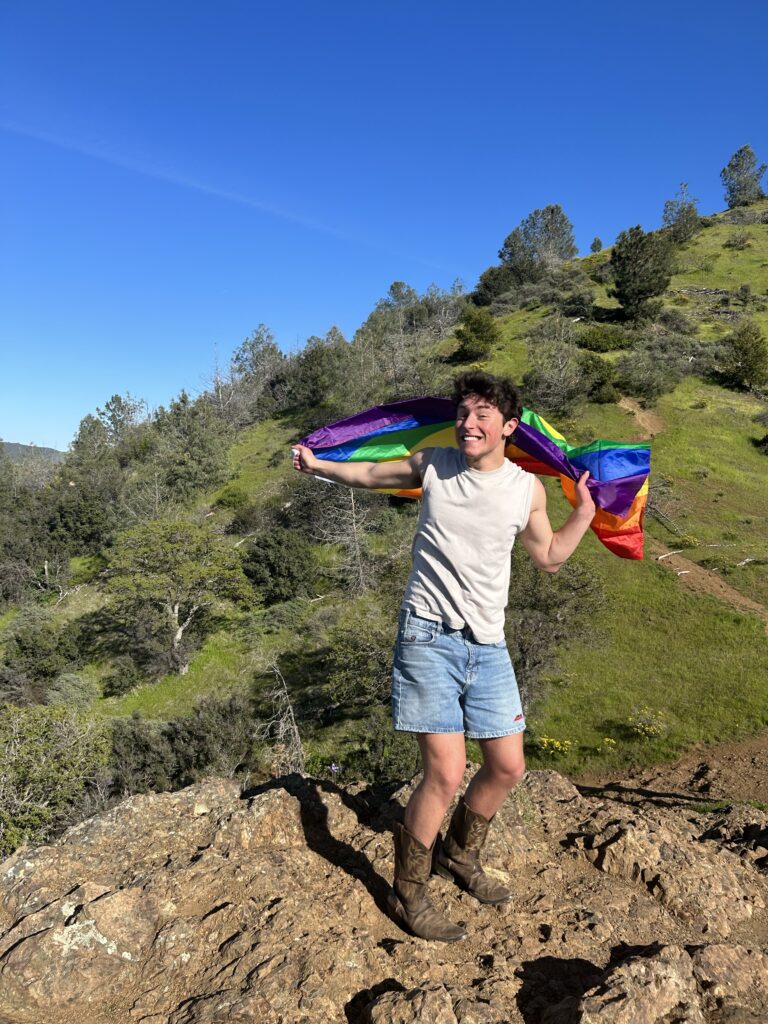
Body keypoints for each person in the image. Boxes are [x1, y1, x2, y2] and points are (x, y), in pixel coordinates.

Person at [292, 370, 595, 942]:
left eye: (482, 414)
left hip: (488, 644)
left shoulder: (526, 488)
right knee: (447, 771)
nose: (467, 422)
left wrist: (582, 512)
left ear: (509, 426)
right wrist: (319, 464)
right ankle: (409, 891)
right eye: (463, 413)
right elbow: (371, 472)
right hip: (428, 636)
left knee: (507, 766)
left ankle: (459, 854)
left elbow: (549, 557)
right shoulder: (434, 464)